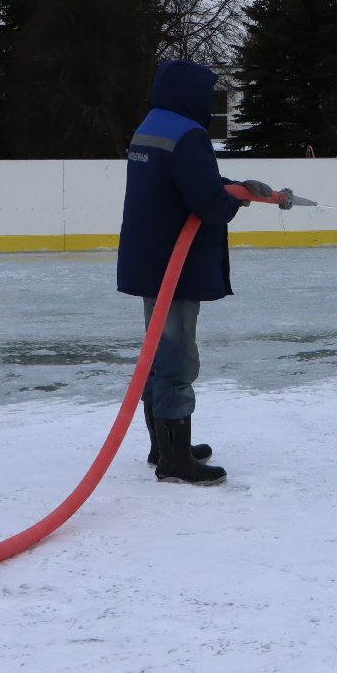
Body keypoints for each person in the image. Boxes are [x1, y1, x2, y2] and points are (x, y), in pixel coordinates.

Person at [117, 59, 275, 486]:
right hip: (175, 265)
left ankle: (163, 445)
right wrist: (232, 201)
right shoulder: (189, 135)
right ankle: (174, 459)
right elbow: (206, 202)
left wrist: (234, 187)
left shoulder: (154, 125)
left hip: (152, 258)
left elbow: (188, 180)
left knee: (157, 351)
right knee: (175, 356)